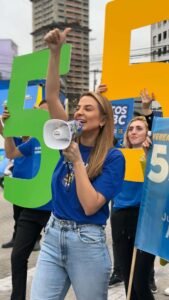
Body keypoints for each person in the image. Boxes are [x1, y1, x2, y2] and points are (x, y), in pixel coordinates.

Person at [30, 28, 125, 300]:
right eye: (79, 107)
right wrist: (55, 52)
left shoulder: (113, 157)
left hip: (87, 242)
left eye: (88, 108)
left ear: (103, 120)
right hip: (53, 234)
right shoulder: (67, 137)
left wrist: (77, 163)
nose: (80, 112)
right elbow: (52, 94)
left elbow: (91, 204)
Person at [3, 100, 53, 300]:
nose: (42, 118)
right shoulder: (35, 141)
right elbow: (12, 153)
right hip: (32, 207)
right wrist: (8, 130)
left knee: (58, 262)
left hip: (57, 211)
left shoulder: (66, 138)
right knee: (18, 256)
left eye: (47, 113)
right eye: (39, 114)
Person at [111, 115, 155, 300]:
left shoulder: (156, 157)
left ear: (148, 133)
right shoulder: (118, 155)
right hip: (120, 218)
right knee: (129, 285)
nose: (134, 131)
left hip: (145, 219)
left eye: (139, 128)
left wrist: (148, 156)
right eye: (131, 129)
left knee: (140, 283)